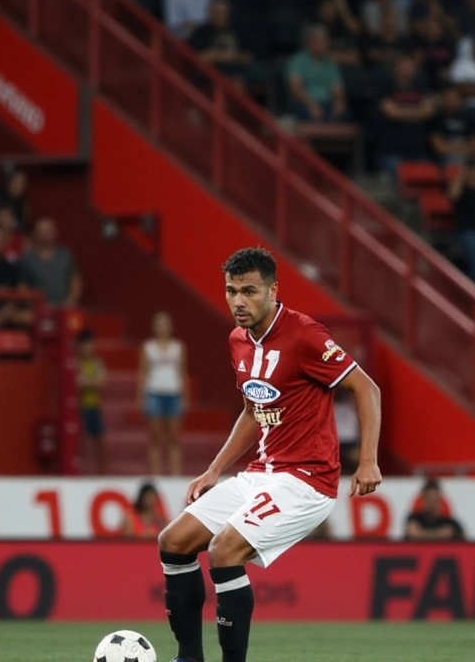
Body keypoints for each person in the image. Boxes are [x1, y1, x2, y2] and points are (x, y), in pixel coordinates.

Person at [157, 247, 382, 662]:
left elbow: (367, 389)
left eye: (249, 291)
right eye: (231, 291)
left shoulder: (305, 335)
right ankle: (188, 658)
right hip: (260, 473)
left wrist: (367, 460)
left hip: (306, 481)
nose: (239, 302)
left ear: (273, 290)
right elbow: (251, 410)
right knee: (173, 542)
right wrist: (214, 470)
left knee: (225, 550)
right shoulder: (238, 340)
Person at [139, 311, 188, 477]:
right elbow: (143, 373)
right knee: (155, 438)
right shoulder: (148, 348)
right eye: (159, 324)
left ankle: (175, 474)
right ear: (154, 327)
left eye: (165, 324)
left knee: (174, 437)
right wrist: (141, 397)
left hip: (174, 393)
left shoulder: (178, 347)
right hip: (154, 393)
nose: (163, 328)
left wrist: (185, 397)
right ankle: (156, 474)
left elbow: (182, 373)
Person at [76, 329, 108, 475]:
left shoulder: (96, 363)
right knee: (79, 442)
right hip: (80, 407)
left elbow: (102, 382)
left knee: (100, 441)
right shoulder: (75, 363)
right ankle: (78, 471)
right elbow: (76, 383)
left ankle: (102, 473)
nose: (89, 348)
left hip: (94, 406)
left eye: (91, 344)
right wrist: (92, 383)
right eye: (85, 345)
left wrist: (87, 383)